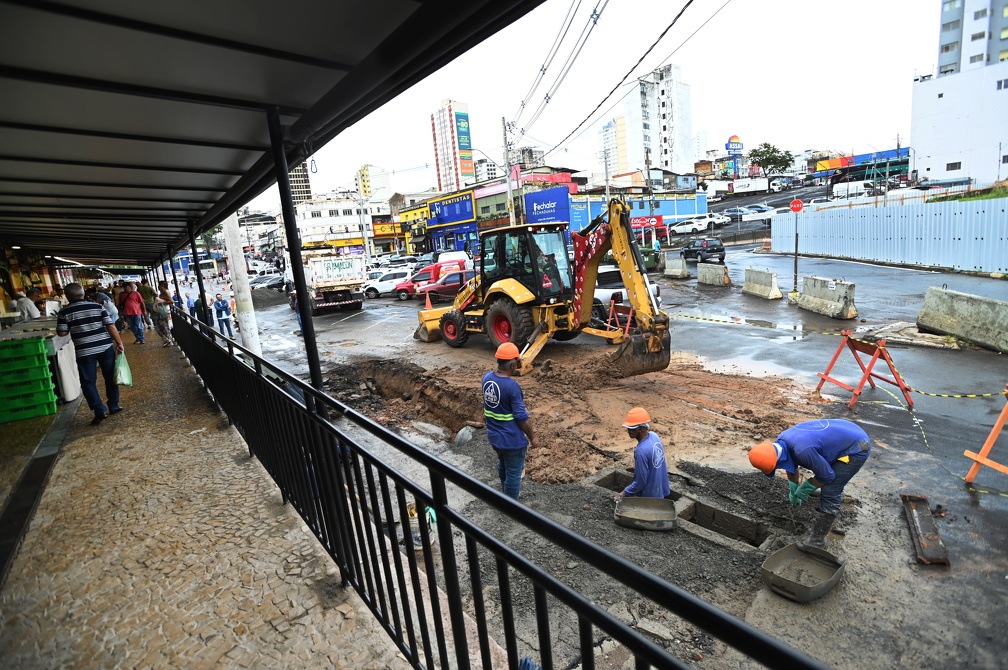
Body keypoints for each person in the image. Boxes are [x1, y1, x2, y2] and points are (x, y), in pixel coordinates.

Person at [749, 418, 872, 550]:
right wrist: (793, 488)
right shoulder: (781, 442)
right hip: (844, 432)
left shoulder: (803, 451)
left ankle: (816, 542)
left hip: (857, 446)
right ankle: (819, 491)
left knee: (831, 489)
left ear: (775, 462)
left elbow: (827, 475)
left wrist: (805, 489)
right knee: (823, 473)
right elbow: (791, 465)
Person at [56, 283, 125, 425]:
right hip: (105, 347)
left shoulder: (64, 312)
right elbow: (110, 325)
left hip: (84, 350)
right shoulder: (97, 306)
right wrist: (119, 343)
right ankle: (113, 405)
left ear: (67, 296)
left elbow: (62, 332)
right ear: (83, 293)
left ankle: (99, 409)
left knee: (88, 381)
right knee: (110, 376)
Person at [482, 342, 537, 500]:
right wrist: (533, 437)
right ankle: (511, 507)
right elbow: (521, 416)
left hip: (495, 437)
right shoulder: (512, 387)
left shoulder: (487, 379)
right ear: (513, 364)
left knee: (503, 464)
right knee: (514, 473)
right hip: (512, 440)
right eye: (517, 362)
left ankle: (505, 495)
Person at [619, 407, 670, 499]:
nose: (629, 431)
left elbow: (640, 481)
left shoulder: (641, 451)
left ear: (642, 428)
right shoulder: (654, 436)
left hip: (649, 496)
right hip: (660, 488)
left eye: (632, 428)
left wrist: (625, 492)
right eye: (628, 428)